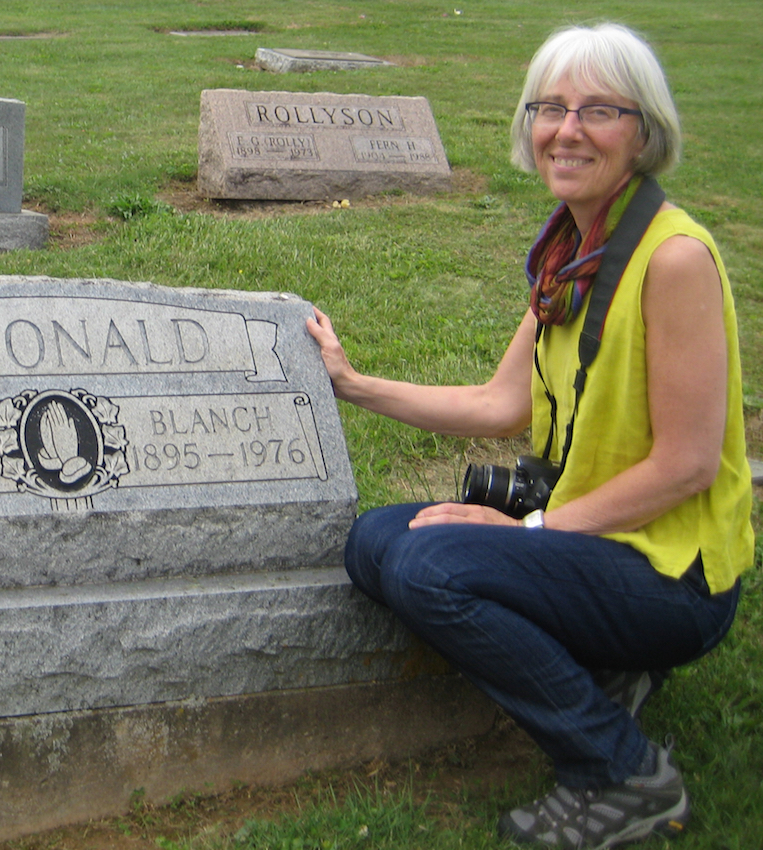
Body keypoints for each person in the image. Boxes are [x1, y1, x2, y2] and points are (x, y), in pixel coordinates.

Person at [306, 22, 755, 850]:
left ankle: (622, 772)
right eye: (551, 108)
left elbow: (688, 465)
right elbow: (499, 402)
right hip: (600, 541)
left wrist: (534, 530)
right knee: (376, 542)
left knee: (431, 568)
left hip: (673, 573)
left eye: (600, 111)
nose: (568, 130)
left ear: (644, 132)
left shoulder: (672, 259)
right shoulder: (572, 254)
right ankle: (604, 670)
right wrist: (353, 383)